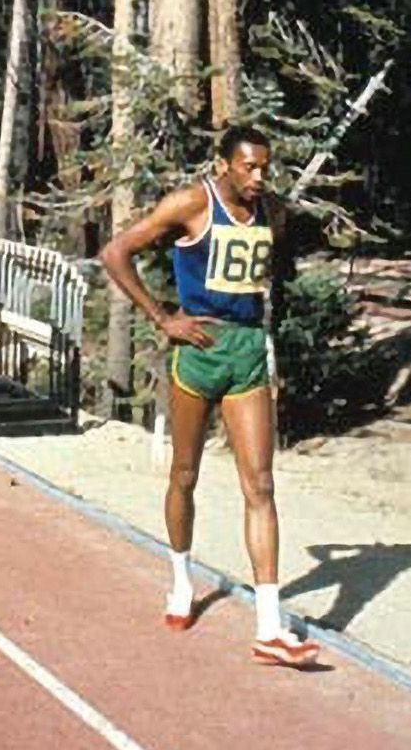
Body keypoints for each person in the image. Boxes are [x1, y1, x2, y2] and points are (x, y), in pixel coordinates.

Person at [99, 124, 320, 670]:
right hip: (198, 348)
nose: (259, 176)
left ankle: (269, 627)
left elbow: (270, 268)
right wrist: (161, 318)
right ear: (224, 164)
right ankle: (180, 580)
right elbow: (115, 252)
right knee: (184, 474)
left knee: (261, 483)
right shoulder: (191, 202)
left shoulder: (270, 209)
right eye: (249, 167)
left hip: (246, 350)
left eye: (266, 167)